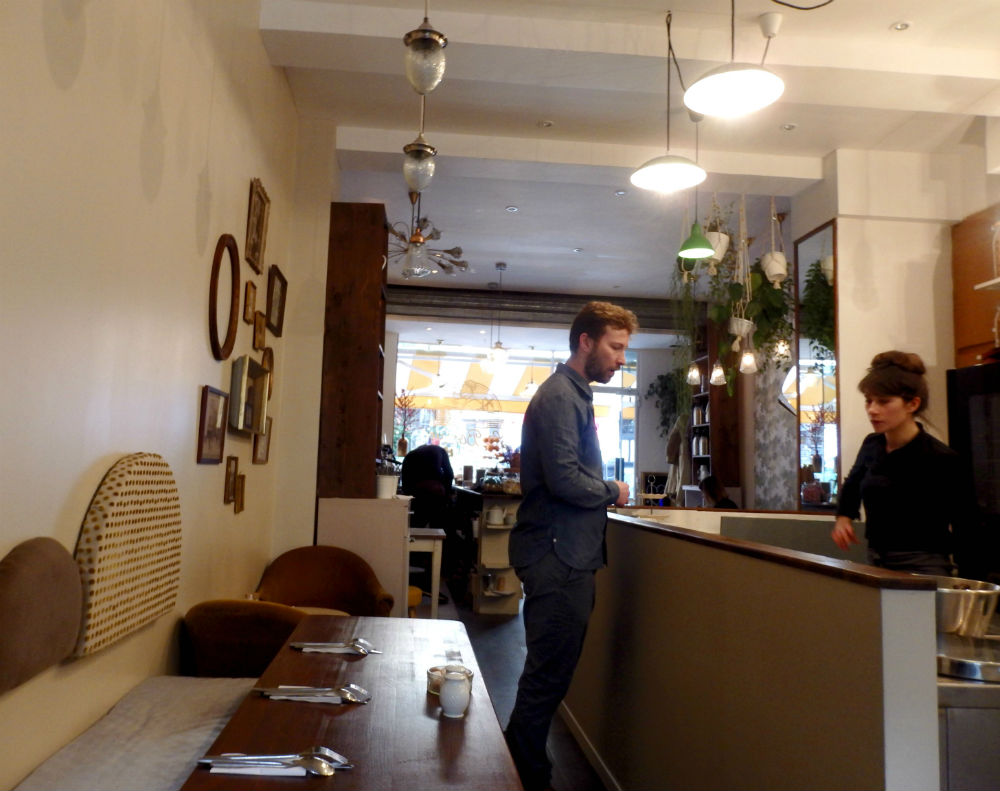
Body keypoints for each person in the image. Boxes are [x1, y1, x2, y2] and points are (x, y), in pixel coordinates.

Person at [504, 301, 637, 791]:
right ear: (586, 341)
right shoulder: (561, 396)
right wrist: (613, 490)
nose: (621, 359)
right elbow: (563, 480)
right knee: (547, 677)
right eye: (615, 347)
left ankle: (516, 768)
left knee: (549, 675)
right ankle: (523, 775)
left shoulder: (572, 394)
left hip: (564, 553)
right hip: (558, 555)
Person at [831, 351, 983, 577]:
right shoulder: (872, 445)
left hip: (922, 565)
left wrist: (968, 585)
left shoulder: (941, 458)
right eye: (869, 401)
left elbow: (966, 526)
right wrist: (843, 517)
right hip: (876, 559)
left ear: (912, 403)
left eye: (883, 401)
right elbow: (854, 483)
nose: (872, 409)